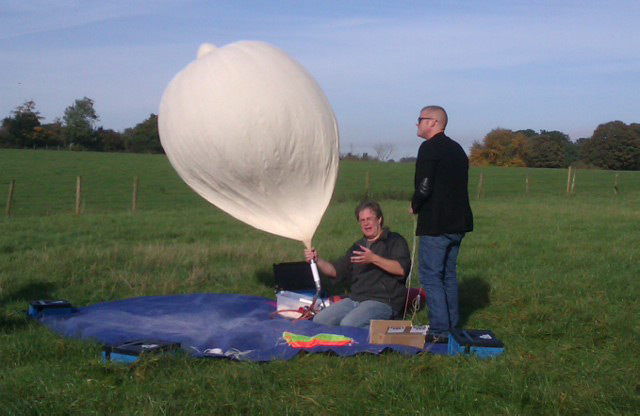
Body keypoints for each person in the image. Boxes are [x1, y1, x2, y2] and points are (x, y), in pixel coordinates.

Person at [410, 105, 473, 338]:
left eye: (420, 119)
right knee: (448, 274)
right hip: (459, 222)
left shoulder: (429, 148)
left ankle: (439, 330)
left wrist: (415, 204)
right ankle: (452, 326)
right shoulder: (458, 150)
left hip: (437, 223)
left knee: (430, 276)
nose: (417, 123)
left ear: (433, 122)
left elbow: (425, 185)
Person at [304, 200, 411, 328]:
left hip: (383, 301)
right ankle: (337, 343)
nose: (366, 223)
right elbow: (335, 271)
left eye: (369, 219)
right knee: (320, 320)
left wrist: (373, 258)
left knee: (349, 324)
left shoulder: (394, 240)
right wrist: (317, 260)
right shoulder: (358, 247)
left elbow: (401, 270)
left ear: (379, 220)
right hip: (356, 299)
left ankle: (389, 330)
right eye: (362, 220)